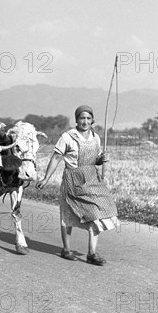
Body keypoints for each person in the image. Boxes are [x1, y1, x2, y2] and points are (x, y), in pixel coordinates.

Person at [36, 105, 118, 265]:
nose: (85, 122)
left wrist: (101, 160)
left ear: (92, 120)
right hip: (73, 180)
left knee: (97, 213)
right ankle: (66, 249)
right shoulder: (68, 137)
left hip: (92, 179)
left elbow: (96, 159)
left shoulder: (96, 137)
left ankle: (92, 253)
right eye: (82, 118)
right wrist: (46, 178)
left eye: (88, 118)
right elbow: (56, 158)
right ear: (77, 120)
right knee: (68, 215)